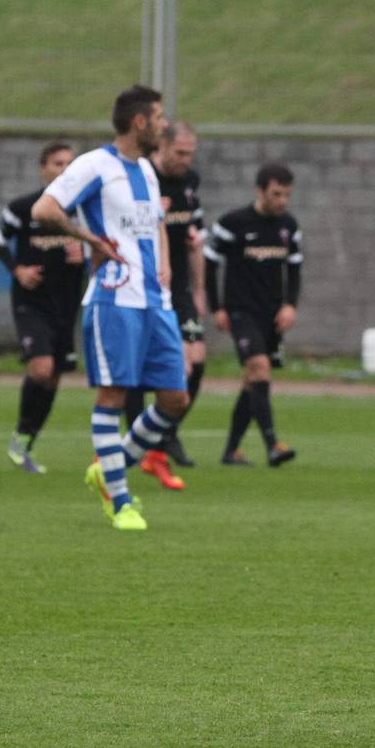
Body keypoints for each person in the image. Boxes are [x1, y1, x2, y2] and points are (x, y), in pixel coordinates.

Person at [31, 85, 188, 532]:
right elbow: (46, 208)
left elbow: (155, 225)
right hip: (114, 298)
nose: (164, 124)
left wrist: (166, 267)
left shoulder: (147, 170)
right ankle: (120, 500)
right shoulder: (95, 165)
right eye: (158, 117)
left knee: (176, 398)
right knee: (113, 395)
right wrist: (90, 241)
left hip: (154, 300)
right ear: (139, 122)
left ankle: (109, 467)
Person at [0, 141, 86, 474]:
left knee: (54, 378)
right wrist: (17, 269)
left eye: (70, 164)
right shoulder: (23, 207)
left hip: (67, 305)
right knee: (41, 368)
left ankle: (25, 441)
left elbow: (107, 245)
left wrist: (85, 252)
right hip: (31, 302)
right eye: (58, 163)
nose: (64, 170)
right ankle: (21, 437)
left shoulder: (83, 208)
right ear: (43, 168)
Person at [124, 120, 206, 489]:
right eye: (180, 153)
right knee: (139, 370)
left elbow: (196, 238)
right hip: (145, 285)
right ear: (162, 147)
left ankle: (162, 436)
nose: (185, 161)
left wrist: (200, 290)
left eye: (190, 154)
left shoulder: (190, 184)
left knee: (196, 362)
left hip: (180, 290)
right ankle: (142, 442)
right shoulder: (141, 179)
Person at [207, 162, 302, 468]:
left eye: (286, 194)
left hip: (271, 315)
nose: (282, 200)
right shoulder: (233, 223)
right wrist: (216, 307)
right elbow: (211, 264)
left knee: (252, 381)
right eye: (276, 193)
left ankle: (231, 451)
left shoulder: (289, 226)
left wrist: (290, 305)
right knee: (259, 369)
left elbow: (294, 269)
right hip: (240, 311)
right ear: (259, 191)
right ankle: (273, 444)